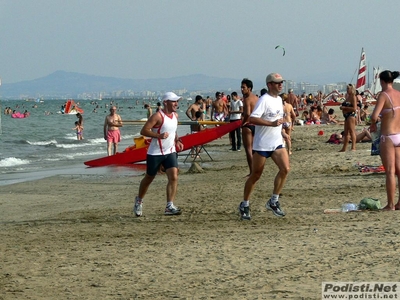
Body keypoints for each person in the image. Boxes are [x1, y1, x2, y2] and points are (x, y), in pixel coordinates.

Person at [238, 73, 290, 220]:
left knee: (285, 169)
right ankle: (245, 204)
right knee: (255, 175)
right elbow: (253, 118)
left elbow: (278, 119)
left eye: (281, 82)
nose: (280, 84)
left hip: (276, 143)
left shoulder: (279, 99)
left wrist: (283, 132)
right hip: (262, 144)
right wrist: (271, 124)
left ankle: (274, 201)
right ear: (269, 84)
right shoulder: (264, 100)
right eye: (277, 82)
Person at [133, 92, 184, 217]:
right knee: (149, 178)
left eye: (177, 101)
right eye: (173, 101)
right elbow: (144, 130)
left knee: (174, 176)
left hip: (170, 151)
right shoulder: (157, 116)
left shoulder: (175, 116)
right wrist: (158, 136)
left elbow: (173, 130)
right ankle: (139, 200)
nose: (176, 104)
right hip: (155, 153)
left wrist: (177, 140)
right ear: (165, 102)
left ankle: (169, 206)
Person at [370, 70, 400, 210]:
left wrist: (373, 123)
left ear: (381, 81)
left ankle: (390, 204)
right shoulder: (399, 94)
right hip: (399, 134)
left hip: (388, 136)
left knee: (390, 171)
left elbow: (374, 115)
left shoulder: (384, 95)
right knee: (399, 171)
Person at [241, 78, 258, 176]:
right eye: (241, 87)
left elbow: (247, 113)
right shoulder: (257, 99)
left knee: (248, 149)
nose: (242, 89)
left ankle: (252, 171)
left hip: (248, 125)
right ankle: (256, 169)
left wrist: (242, 123)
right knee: (255, 149)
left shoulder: (247, 99)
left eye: (243, 87)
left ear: (249, 88)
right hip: (256, 124)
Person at [339, 84, 357, 152]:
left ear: (352, 89)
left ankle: (353, 147)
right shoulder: (348, 97)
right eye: (346, 88)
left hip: (351, 115)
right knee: (346, 133)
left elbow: (354, 108)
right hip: (346, 116)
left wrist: (345, 108)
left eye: (348, 89)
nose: (347, 90)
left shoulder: (353, 97)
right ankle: (344, 148)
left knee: (352, 131)